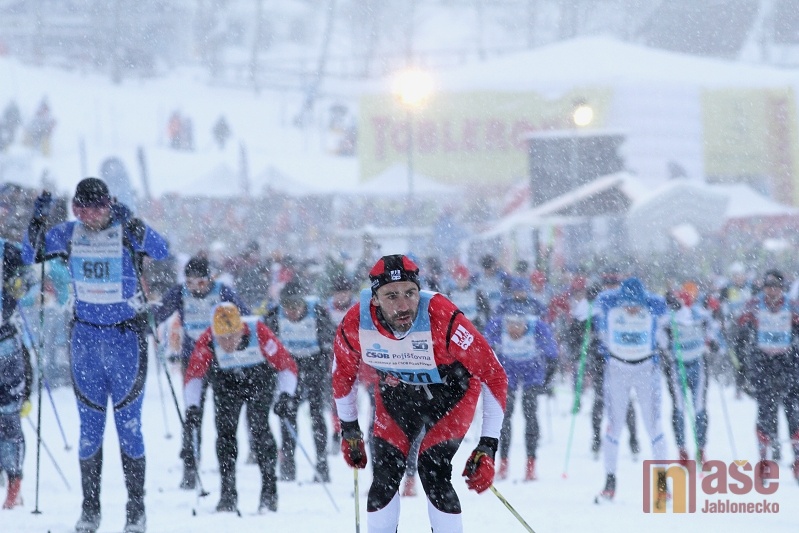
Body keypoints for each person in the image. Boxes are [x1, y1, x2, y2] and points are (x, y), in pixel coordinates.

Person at [22, 178, 169, 533]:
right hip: (85, 340)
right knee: (90, 430)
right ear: (75, 209)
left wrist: (139, 227)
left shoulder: (127, 230)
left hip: (125, 341)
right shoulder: (68, 234)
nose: (89, 217)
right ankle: (90, 510)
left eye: (98, 209)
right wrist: (37, 220)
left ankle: (135, 511)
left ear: (109, 204)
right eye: (82, 210)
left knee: (129, 428)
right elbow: (30, 254)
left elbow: (163, 250)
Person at [332, 254, 508, 533]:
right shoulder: (356, 323)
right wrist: (350, 429)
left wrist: (487, 446)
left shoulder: (443, 317)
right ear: (374, 299)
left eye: (410, 293)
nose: (403, 306)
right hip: (397, 395)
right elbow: (343, 375)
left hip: (452, 393)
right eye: (391, 296)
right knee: (385, 472)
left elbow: (494, 374)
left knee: (432, 469)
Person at [183, 303, 298, 512]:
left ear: (241, 330)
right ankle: (227, 494)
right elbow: (194, 375)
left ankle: (269, 492)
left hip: (259, 381)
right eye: (222, 338)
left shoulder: (258, 331)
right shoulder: (207, 339)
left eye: (231, 337)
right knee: (225, 434)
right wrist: (192, 407)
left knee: (259, 428)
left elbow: (286, 365)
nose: (227, 343)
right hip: (226, 383)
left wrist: (285, 395)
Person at [153, 256, 250, 489]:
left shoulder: (223, 292)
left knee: (224, 414)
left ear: (210, 279)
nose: (195, 288)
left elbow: (244, 316)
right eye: (190, 282)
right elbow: (159, 313)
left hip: (221, 360)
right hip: (193, 361)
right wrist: (147, 319)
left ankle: (226, 465)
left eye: (201, 282)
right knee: (192, 413)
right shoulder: (180, 293)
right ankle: (190, 466)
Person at [594, 277, 668, 507]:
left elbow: (666, 306)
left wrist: (673, 301)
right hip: (617, 368)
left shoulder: (652, 306)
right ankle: (610, 481)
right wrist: (590, 297)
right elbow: (596, 302)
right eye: (627, 304)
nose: (631, 309)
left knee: (653, 425)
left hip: (646, 369)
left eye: (636, 305)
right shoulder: (610, 305)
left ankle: (662, 485)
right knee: (614, 425)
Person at [264, 279, 336, 482]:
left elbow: (331, 339)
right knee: (287, 415)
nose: (292, 312)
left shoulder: (318, 313)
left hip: (314, 367)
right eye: (287, 307)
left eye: (296, 306)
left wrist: (324, 359)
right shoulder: (274, 317)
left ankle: (322, 464)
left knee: (316, 415)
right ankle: (288, 465)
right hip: (289, 370)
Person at [735, 270, 799, 482]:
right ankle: (764, 462)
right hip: (762, 363)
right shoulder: (754, 305)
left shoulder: (792, 305)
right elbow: (740, 330)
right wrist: (741, 363)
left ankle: (797, 460)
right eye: (768, 286)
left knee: (793, 412)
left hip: (788, 363)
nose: (772, 291)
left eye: (776, 287)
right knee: (765, 412)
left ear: (782, 288)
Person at [484, 301, 558, 481]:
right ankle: (503, 463)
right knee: (505, 416)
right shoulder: (497, 326)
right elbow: (482, 348)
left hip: (532, 372)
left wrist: (546, 380)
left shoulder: (538, 327)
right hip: (507, 371)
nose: (514, 329)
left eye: (519, 324)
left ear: (526, 322)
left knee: (530, 414)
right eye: (510, 324)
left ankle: (531, 464)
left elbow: (553, 355)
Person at [659, 290, 719, 467]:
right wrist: (666, 347)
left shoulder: (699, 314)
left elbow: (711, 324)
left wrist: (711, 340)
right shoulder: (669, 317)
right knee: (679, 408)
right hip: (677, 366)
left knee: (699, 407)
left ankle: (701, 449)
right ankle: (682, 450)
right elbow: (659, 332)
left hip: (698, 364)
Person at [0, 237, 32, 509]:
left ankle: (13, 484)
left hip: (6, 345)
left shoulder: (8, 251)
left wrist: (18, 285)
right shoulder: (9, 250)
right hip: (7, 342)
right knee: (9, 419)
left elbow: (29, 273)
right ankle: (13, 483)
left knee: (9, 417)